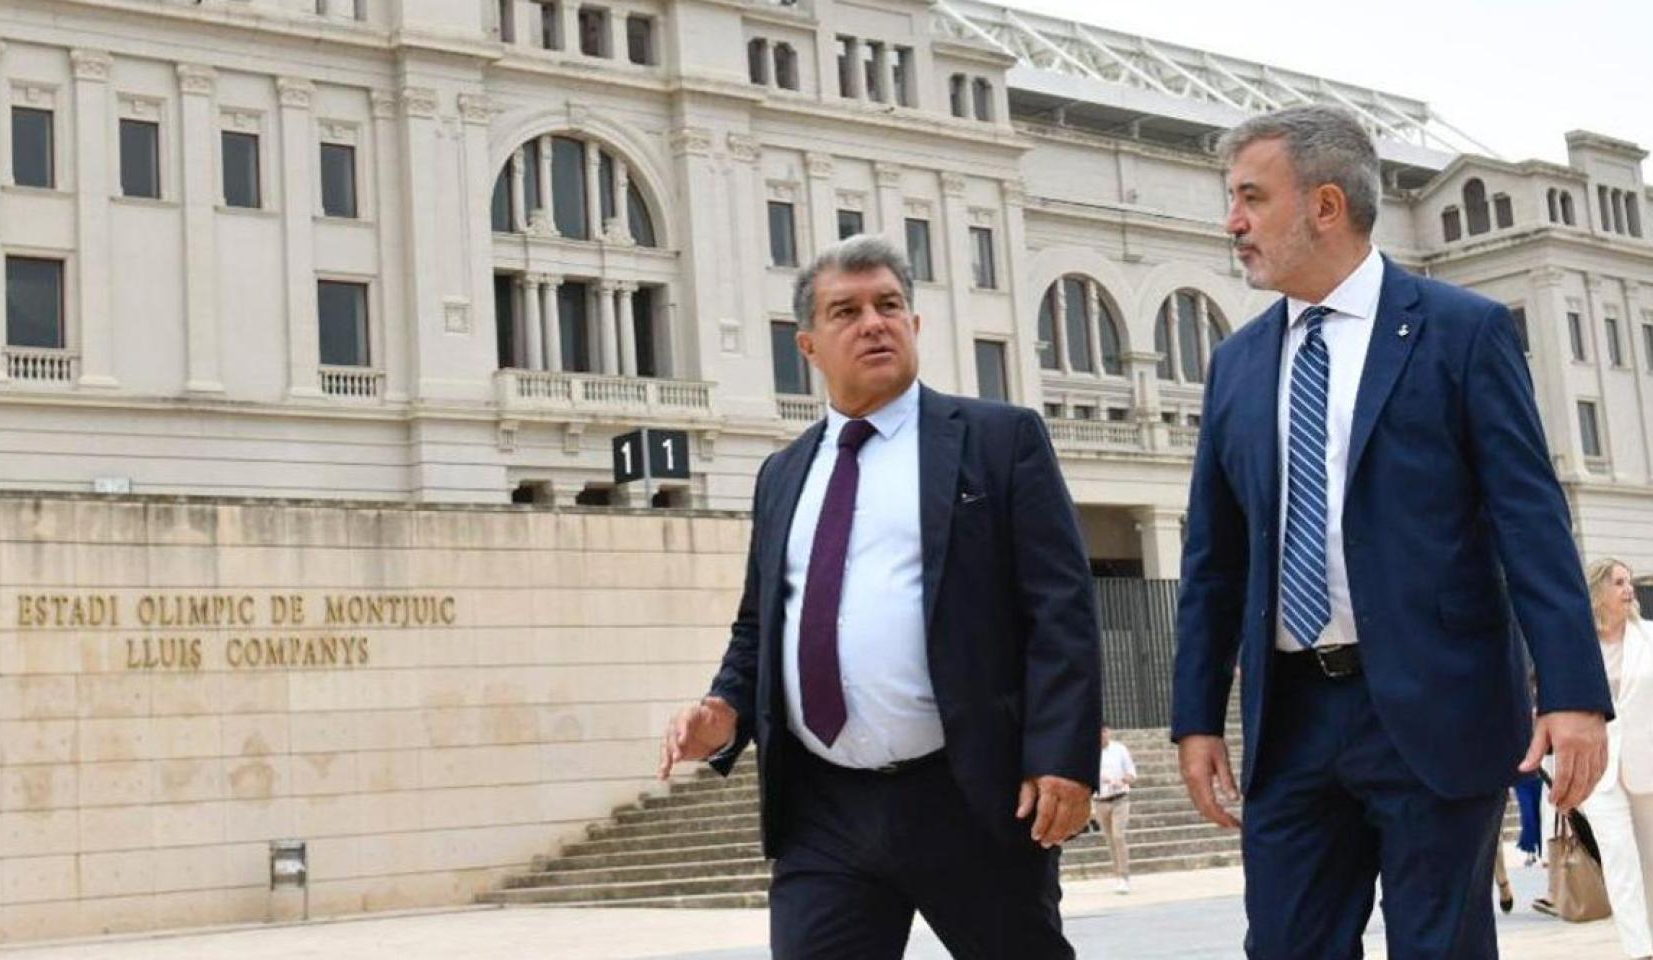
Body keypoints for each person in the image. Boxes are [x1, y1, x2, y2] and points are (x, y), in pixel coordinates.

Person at [1169, 103, 1613, 960]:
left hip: (1435, 712)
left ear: (1325, 206)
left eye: (1252, 198)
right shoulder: (1238, 363)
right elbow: (1213, 563)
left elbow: (1531, 520)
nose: (1234, 223)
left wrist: (1571, 693)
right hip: (1291, 720)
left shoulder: (1461, 331)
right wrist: (1194, 717)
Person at [656, 234, 1103, 959]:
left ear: (915, 325)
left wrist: (1065, 755)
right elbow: (760, 625)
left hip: (967, 794)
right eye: (847, 311)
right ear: (808, 344)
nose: (874, 322)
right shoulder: (782, 474)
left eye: (889, 305)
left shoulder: (998, 440)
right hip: (823, 809)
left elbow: (1061, 609)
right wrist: (724, 708)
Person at [1581, 558, 1653, 959]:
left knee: (1651, 862)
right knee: (1619, 861)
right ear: (1598, 591)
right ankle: (1639, 951)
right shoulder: (1581, 645)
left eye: (1629, 582)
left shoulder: (1651, 638)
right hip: (1600, 770)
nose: (1629, 590)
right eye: (1619, 583)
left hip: (1648, 763)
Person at [1097, 726, 1138, 894]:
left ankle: (1124, 876)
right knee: (1109, 839)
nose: (1102, 736)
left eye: (1104, 731)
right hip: (1099, 800)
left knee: (1118, 835)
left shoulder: (1119, 749)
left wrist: (1122, 780)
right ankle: (1117, 875)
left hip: (1120, 799)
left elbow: (1132, 775)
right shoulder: (1088, 752)